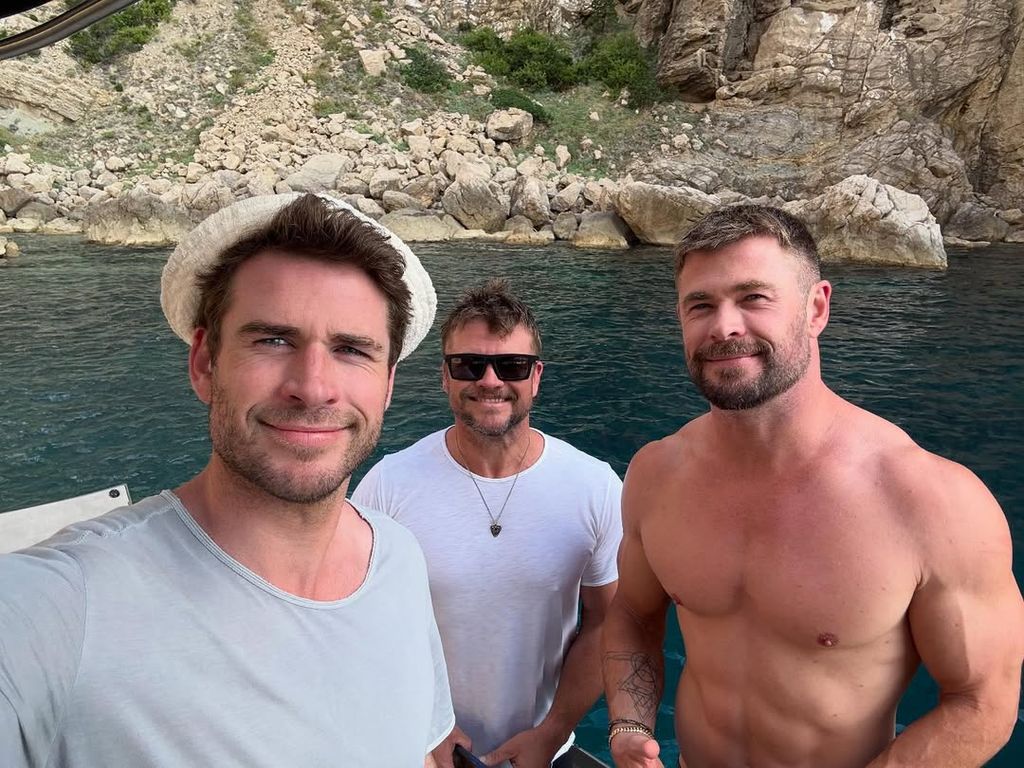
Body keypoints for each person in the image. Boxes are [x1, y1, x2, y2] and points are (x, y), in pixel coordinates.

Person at [0, 193, 454, 766]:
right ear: (204, 364)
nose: (313, 387)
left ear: (387, 385)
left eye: (351, 350)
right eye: (273, 340)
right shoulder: (64, 605)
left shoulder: (399, 560)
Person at [602, 205, 1024, 768]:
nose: (725, 326)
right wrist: (630, 727)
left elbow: (983, 702)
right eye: (700, 304)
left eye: (754, 298)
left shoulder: (933, 501)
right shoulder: (656, 475)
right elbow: (633, 614)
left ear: (816, 307)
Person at [353, 279, 623, 768]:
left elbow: (607, 623)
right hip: (417, 746)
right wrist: (423, 726)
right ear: (445, 377)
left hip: (543, 750)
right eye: (469, 365)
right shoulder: (387, 487)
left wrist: (553, 730)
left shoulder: (594, 488)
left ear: (536, 376)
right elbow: (357, 624)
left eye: (512, 366)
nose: (491, 381)